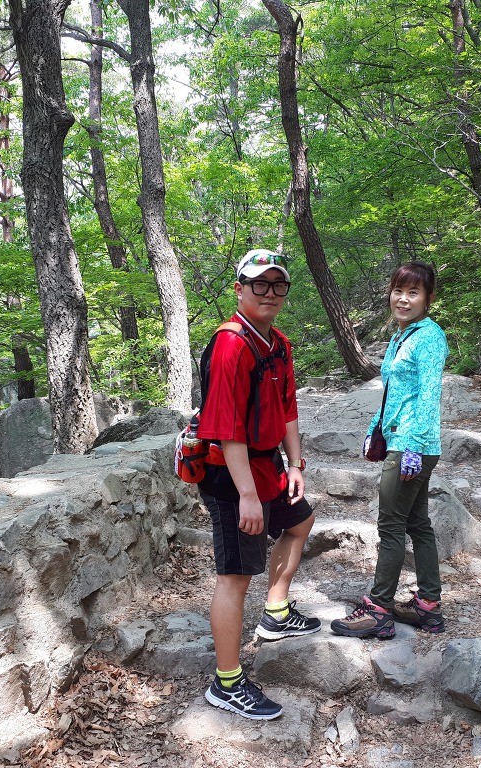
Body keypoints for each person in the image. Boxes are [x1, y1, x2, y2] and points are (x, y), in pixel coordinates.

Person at [195, 248, 320, 720]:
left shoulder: (278, 343)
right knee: (235, 576)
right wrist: (247, 495)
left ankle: (277, 612)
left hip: (268, 466)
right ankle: (226, 683)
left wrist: (296, 464)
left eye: (278, 284)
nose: (270, 293)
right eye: (259, 284)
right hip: (232, 475)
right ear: (240, 289)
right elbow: (226, 429)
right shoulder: (230, 344)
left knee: (301, 522)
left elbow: (287, 409)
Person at [330, 261, 449, 639]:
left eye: (413, 292)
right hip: (402, 441)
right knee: (417, 524)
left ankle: (378, 609)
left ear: (428, 298)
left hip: (412, 446)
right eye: (399, 290)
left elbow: (428, 395)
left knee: (391, 526)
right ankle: (428, 605)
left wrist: (412, 446)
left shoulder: (428, 336)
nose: (403, 299)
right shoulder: (403, 335)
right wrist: (375, 430)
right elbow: (395, 394)